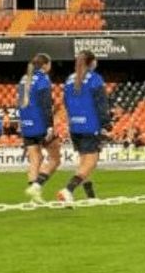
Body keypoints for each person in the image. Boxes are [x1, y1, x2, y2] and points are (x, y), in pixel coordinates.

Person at [54, 50, 109, 206]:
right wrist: (106, 123)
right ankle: (68, 190)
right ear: (92, 62)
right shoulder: (95, 79)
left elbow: (65, 103)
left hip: (75, 125)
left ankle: (90, 196)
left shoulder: (69, 79)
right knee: (91, 161)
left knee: (83, 161)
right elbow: (101, 103)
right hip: (90, 125)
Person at [17, 54, 61, 203]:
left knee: (35, 159)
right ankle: (37, 186)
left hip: (26, 123)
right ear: (45, 65)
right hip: (40, 123)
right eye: (50, 64)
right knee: (55, 159)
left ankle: (34, 196)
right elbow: (46, 104)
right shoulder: (43, 79)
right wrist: (49, 126)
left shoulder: (24, 79)